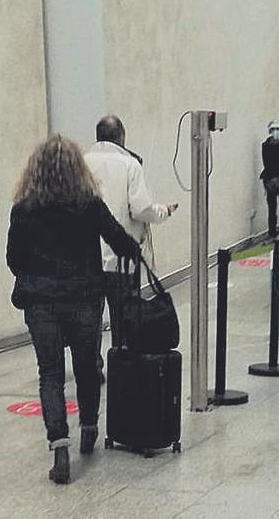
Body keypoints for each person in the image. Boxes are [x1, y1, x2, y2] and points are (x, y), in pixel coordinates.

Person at [7, 135, 142, 484]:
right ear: (76, 169)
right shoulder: (89, 204)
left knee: (49, 374)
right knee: (85, 367)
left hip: (41, 301)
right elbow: (120, 240)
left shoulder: (24, 209)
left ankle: (59, 447)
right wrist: (136, 248)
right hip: (84, 298)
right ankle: (89, 428)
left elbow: (14, 259)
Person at [84, 116, 176, 377]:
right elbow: (141, 209)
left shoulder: (81, 162)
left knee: (90, 320)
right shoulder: (130, 164)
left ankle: (92, 368)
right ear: (121, 137)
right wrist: (164, 211)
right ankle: (120, 366)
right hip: (120, 257)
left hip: (87, 259)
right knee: (123, 317)